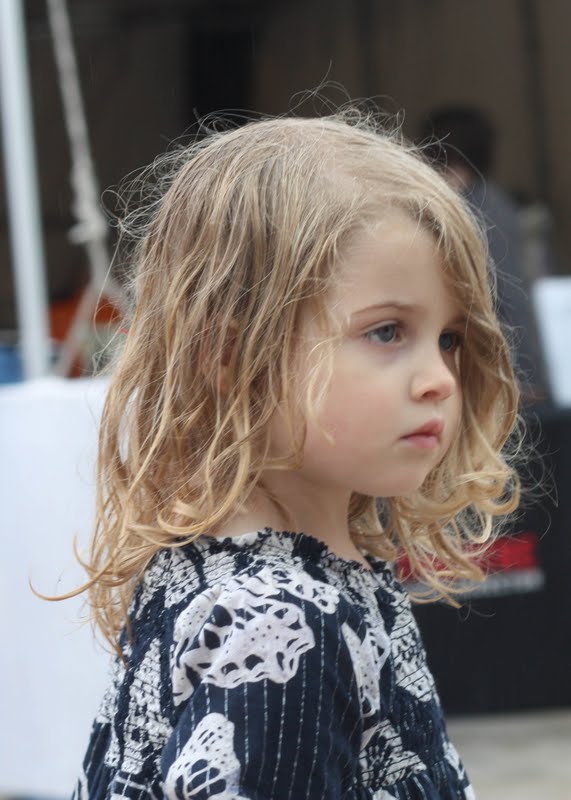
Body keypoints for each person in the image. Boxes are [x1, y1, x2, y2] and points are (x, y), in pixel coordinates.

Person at [67, 114, 521, 798]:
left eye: (448, 339)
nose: (439, 379)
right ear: (229, 355)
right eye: (387, 331)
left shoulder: (257, 576)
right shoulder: (279, 626)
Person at [418, 106, 545, 401]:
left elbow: (511, 295)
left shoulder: (480, 211)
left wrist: (524, 375)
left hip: (511, 373)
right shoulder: (488, 202)